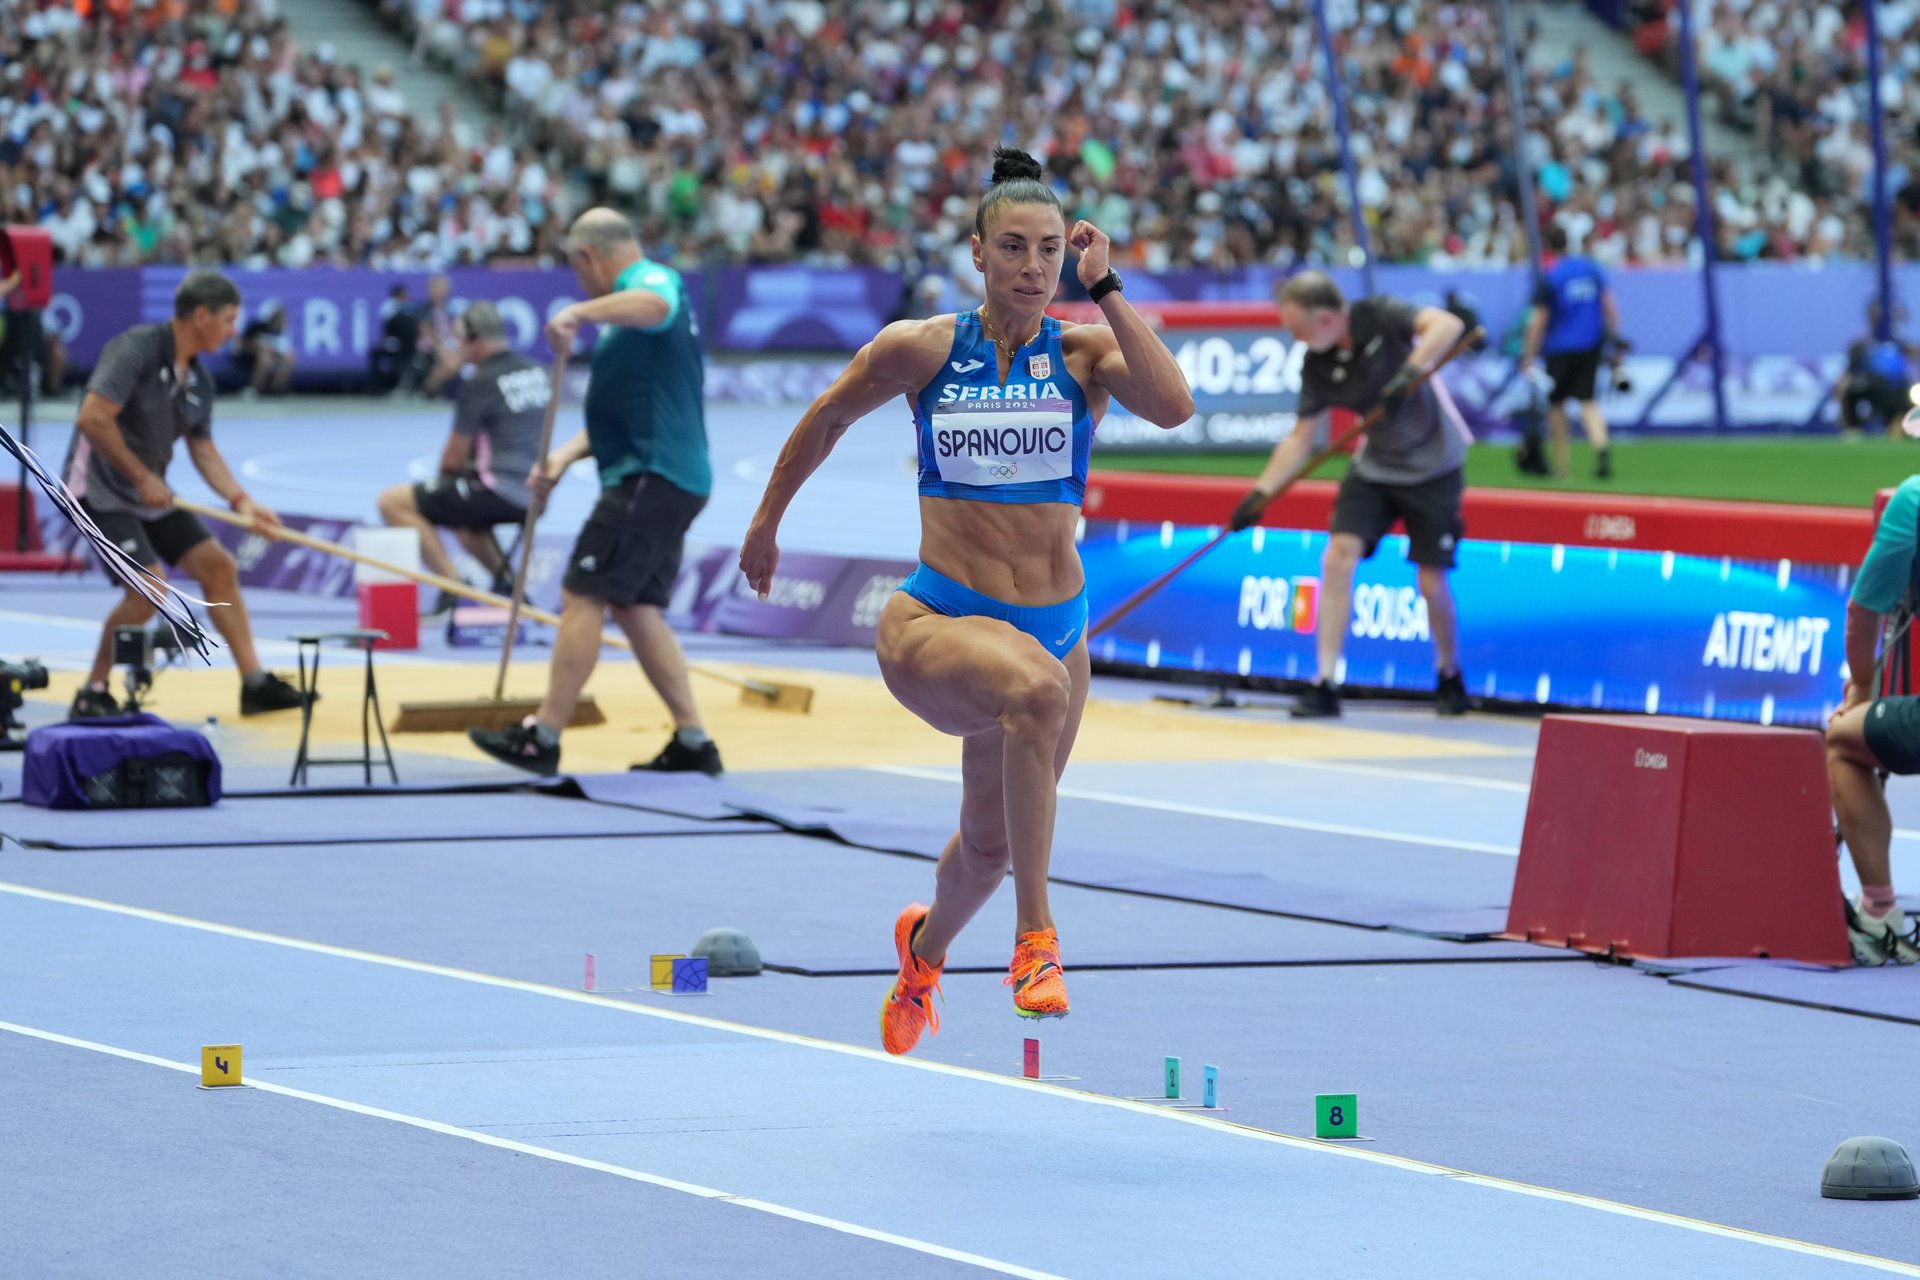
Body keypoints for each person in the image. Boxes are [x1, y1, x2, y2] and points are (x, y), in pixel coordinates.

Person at [740, 147, 1194, 1056]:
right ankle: (1037, 942)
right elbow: (827, 418)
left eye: (1051, 250)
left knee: (989, 846)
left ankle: (923, 952)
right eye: (1014, 248)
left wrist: (1106, 289)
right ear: (977, 254)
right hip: (937, 620)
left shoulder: (1084, 353)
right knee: (1034, 691)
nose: (1033, 267)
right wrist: (765, 522)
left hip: (1055, 627)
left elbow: (1175, 407)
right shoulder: (922, 349)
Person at [468, 208, 721, 778]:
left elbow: (657, 303)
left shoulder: (648, 283)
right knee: (635, 607)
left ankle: (543, 735)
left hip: (650, 476)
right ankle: (693, 740)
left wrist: (577, 312)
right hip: (665, 476)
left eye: (576, 272)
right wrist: (561, 458)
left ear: (588, 256)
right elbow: (624, 410)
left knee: (583, 593)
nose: (578, 285)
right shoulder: (622, 319)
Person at [59, 269, 307, 718]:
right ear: (201, 315)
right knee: (149, 589)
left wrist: (243, 503)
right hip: (96, 491)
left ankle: (254, 683)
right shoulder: (136, 348)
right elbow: (92, 419)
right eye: (228, 320)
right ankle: (92, 691)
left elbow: (204, 451)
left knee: (219, 566)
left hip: (149, 494)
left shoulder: (199, 381)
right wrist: (142, 478)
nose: (233, 331)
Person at [1229, 271, 1469, 719]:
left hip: (1434, 468)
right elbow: (1300, 439)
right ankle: (1324, 683)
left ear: (1325, 318)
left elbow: (1448, 326)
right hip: (1375, 467)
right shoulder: (1316, 365)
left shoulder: (1380, 315)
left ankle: (1449, 673)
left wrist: (1409, 373)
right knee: (1338, 557)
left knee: (1431, 582)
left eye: (1298, 329)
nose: (1295, 339)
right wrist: (1260, 494)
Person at [376, 301, 544, 613]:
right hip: (537, 492)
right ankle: (508, 585)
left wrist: (442, 487)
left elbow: (452, 461)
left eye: (458, 339)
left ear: (475, 339)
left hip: (498, 490)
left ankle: (453, 586)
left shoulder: (480, 382)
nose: (456, 346)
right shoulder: (535, 371)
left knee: (392, 502)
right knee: (464, 518)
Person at [1827, 473, 1920, 965]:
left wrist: (1861, 689)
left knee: (1843, 740)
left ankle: (1880, 913)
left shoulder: (1914, 499)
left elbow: (1863, 612)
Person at [1520, 225, 1621, 479]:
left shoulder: (1551, 276)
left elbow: (1538, 319)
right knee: (1588, 400)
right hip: (1590, 344)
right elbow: (1609, 307)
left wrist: (1528, 354)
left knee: (1557, 405)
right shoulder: (1591, 269)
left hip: (1559, 348)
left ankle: (1562, 464)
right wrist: (1614, 337)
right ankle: (1601, 447)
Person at [1836, 303, 1916, 440]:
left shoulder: (1902, 345)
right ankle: (1853, 431)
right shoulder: (1861, 346)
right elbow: (1847, 377)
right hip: (1871, 389)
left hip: (1899, 393)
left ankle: (1897, 430)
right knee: (1850, 389)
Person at [237, 302, 295, 398]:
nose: (280, 321)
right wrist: (258, 346)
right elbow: (241, 345)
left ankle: (278, 388)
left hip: (272, 356)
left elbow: (282, 349)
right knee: (265, 356)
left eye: (282, 318)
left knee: (289, 356)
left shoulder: (281, 332)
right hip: (249, 355)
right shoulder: (257, 327)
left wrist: (273, 351)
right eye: (278, 318)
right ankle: (255, 388)